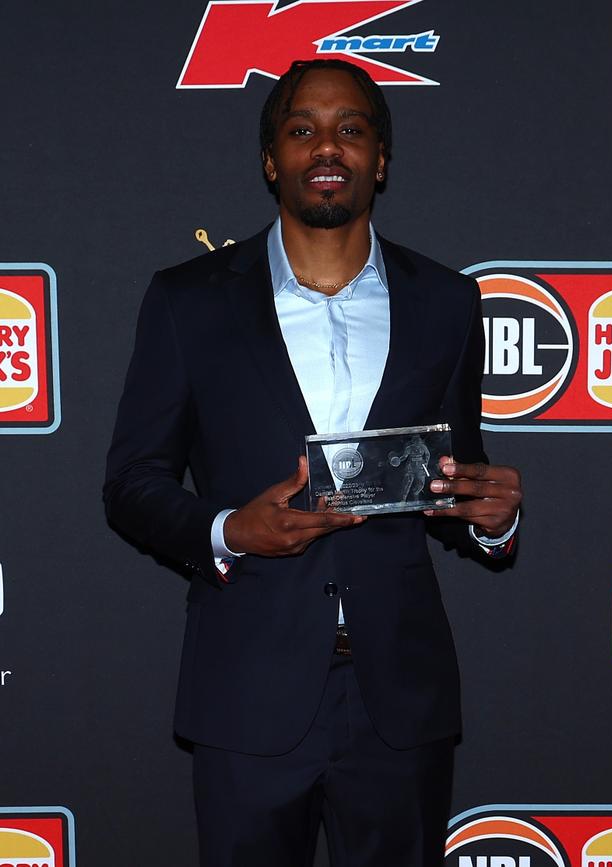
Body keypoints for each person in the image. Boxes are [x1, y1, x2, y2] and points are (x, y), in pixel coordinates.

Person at [104, 58, 521, 867]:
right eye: (302, 129)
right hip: (246, 696)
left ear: (380, 160)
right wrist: (230, 530)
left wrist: (495, 522)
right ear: (272, 160)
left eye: (352, 129)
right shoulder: (188, 300)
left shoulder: (446, 302)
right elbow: (130, 484)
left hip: (399, 702)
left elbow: (456, 475)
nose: (327, 146)